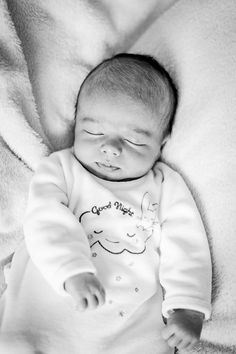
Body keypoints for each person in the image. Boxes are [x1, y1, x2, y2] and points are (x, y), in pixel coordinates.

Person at [23, 53, 212, 354]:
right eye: (93, 131)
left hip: (132, 330)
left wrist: (187, 306)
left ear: (161, 143)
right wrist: (71, 269)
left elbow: (186, 244)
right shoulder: (61, 169)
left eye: (134, 140)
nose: (110, 148)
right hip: (49, 319)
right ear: (76, 125)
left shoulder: (165, 185)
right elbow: (44, 219)